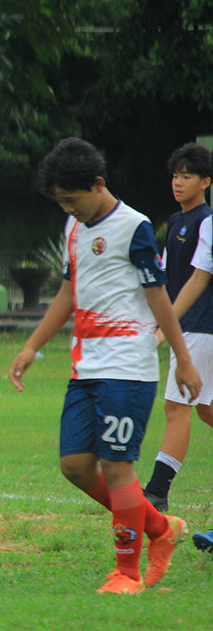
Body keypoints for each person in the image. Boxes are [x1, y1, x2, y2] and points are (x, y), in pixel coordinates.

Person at [8, 137, 200, 594]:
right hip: (86, 367)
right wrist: (32, 346)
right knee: (75, 466)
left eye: (73, 201)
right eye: (61, 204)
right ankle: (159, 528)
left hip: (127, 367)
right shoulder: (75, 230)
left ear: (98, 184)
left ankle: (126, 573)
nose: (69, 212)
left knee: (117, 467)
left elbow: (160, 298)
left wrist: (183, 360)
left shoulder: (132, 227)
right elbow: (69, 293)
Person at [141, 144, 213, 513]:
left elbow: (198, 281)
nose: (178, 182)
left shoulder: (207, 221)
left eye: (187, 176)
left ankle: (155, 492)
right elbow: (166, 281)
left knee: (177, 407)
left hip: (200, 327)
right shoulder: (176, 221)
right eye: (175, 175)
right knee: (205, 409)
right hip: (187, 327)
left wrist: (162, 331)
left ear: (206, 182)